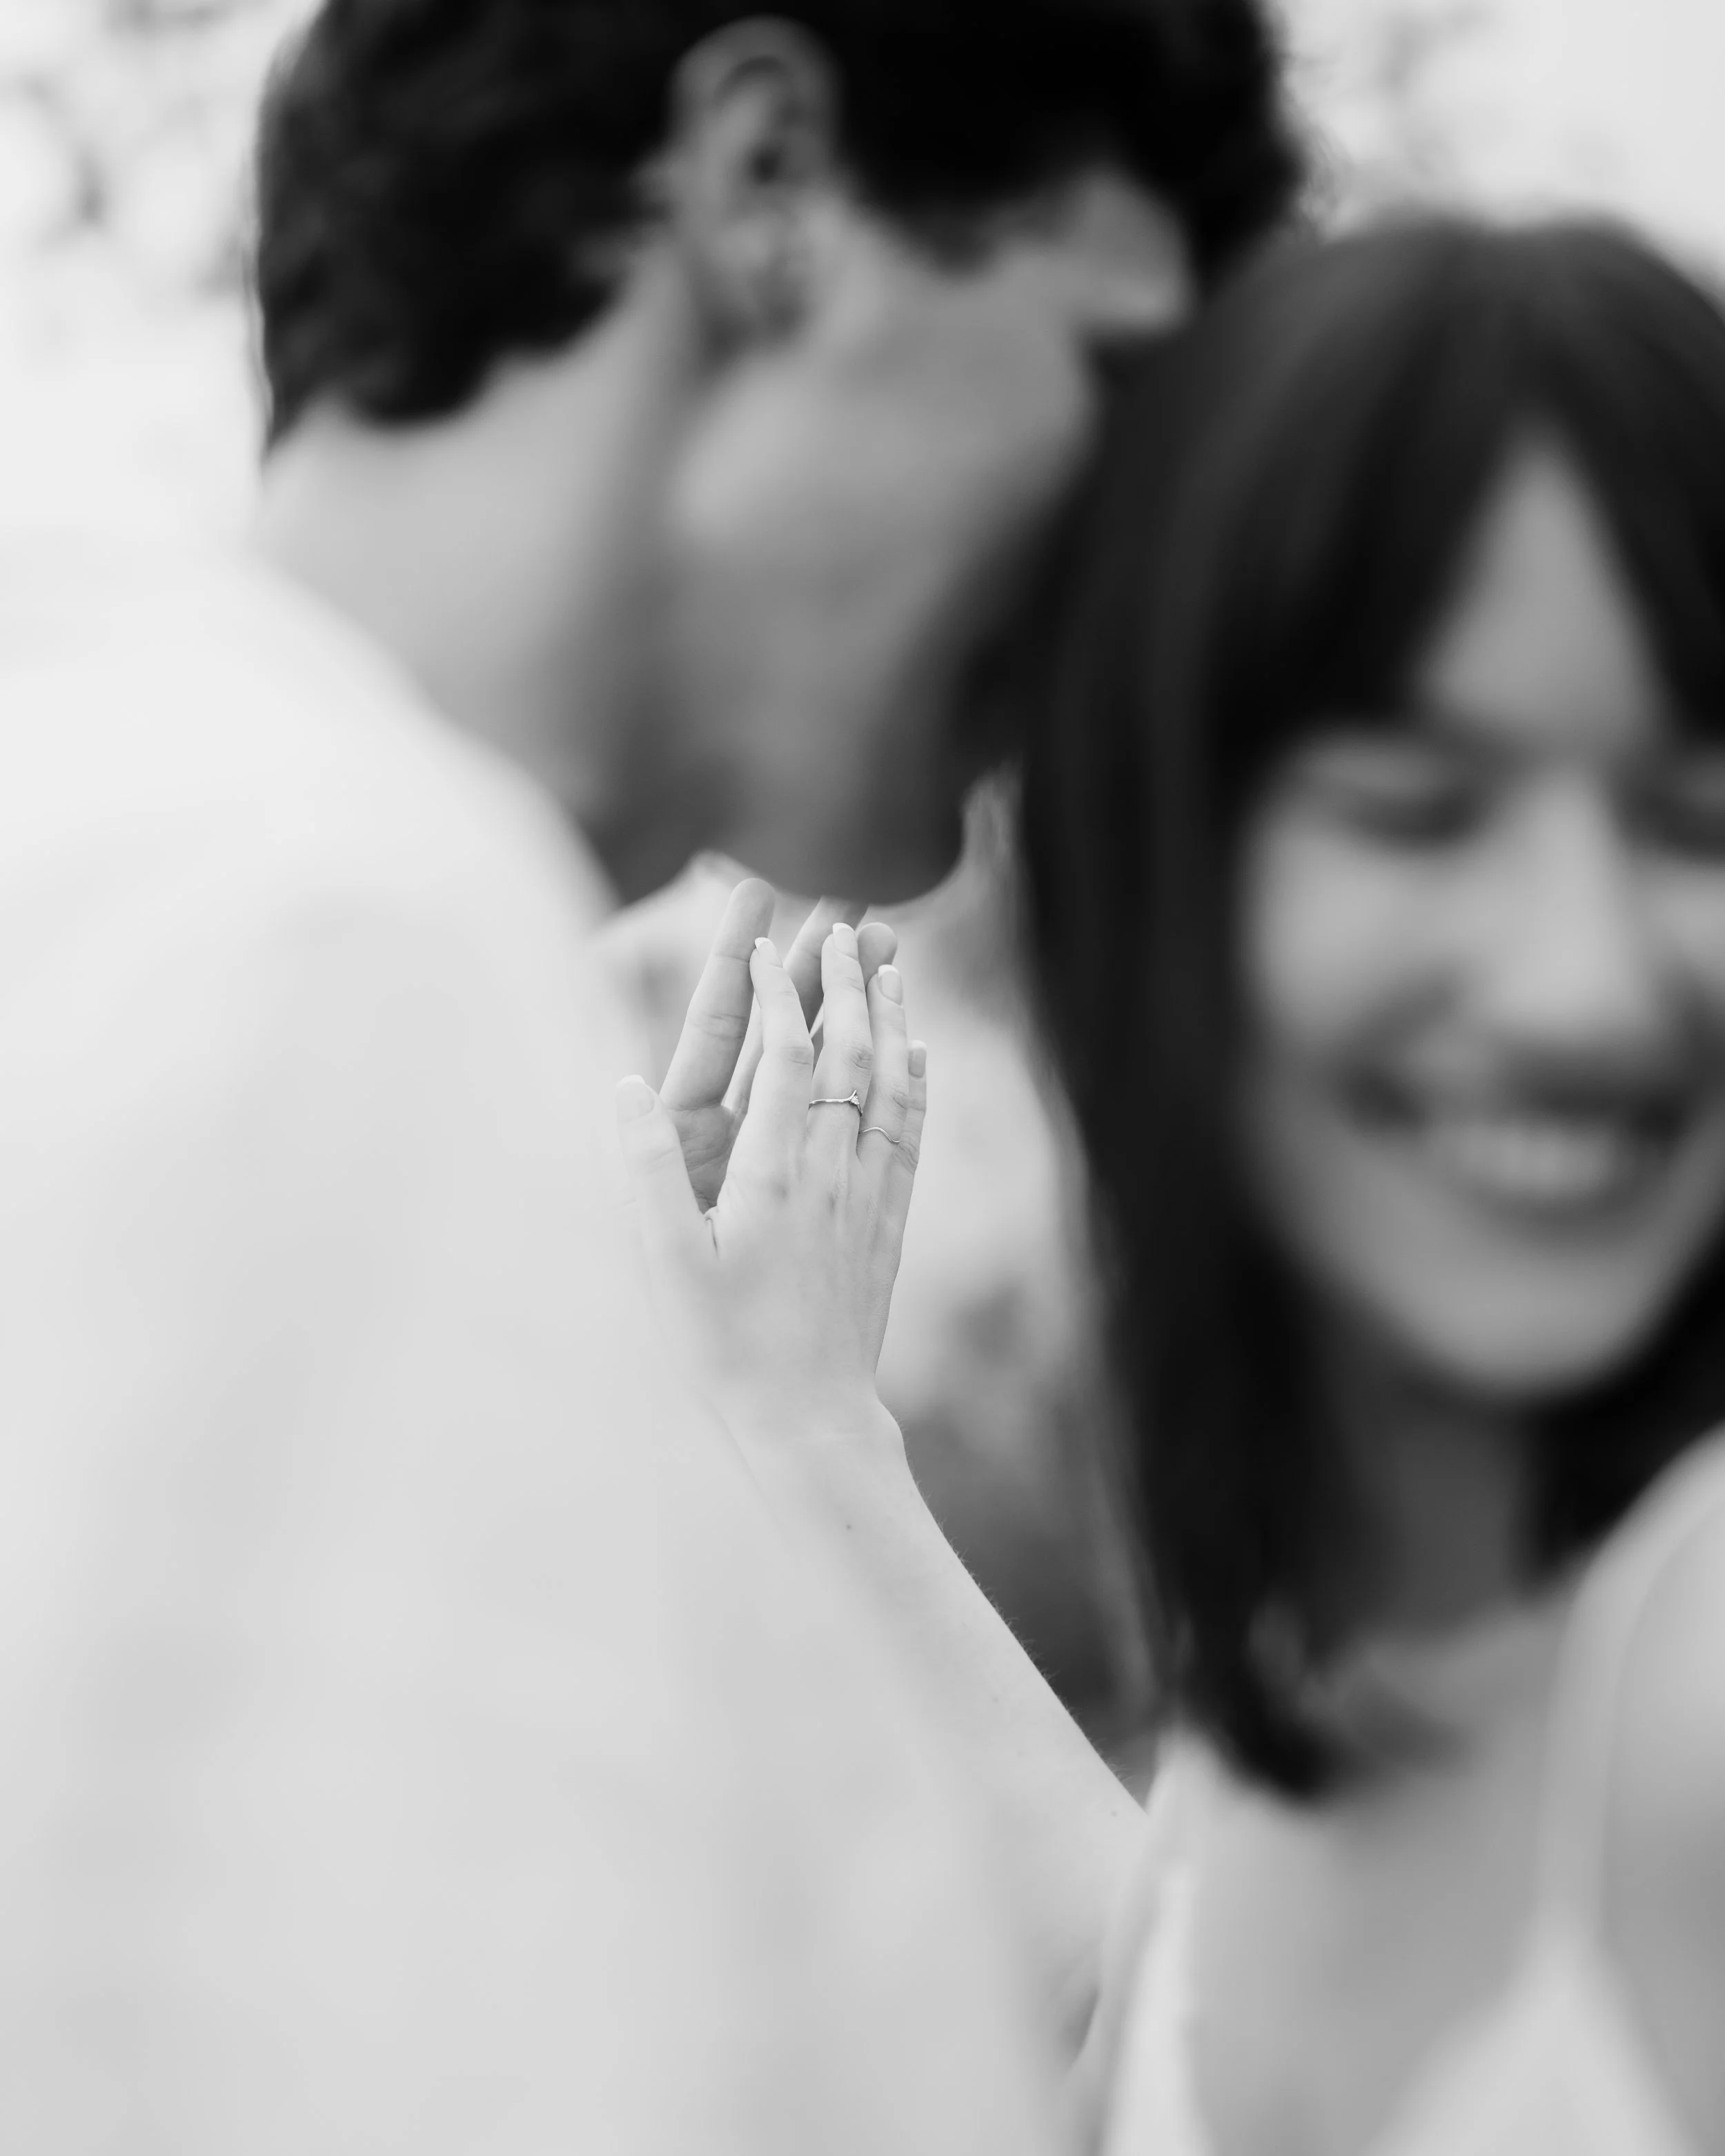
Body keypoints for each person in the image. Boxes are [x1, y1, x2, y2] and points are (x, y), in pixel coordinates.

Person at [0, 1, 1301, 2147]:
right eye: (1111, 375)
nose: (1139, 551)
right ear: (767, 184)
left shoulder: (140, 841)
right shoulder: (340, 958)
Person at [622, 215, 1725, 2155]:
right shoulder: (1338, 1666)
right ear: (1160, 877)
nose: (1581, 978)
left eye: (1693, 822)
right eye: (1416, 813)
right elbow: (1135, 2013)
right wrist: (790, 1417)